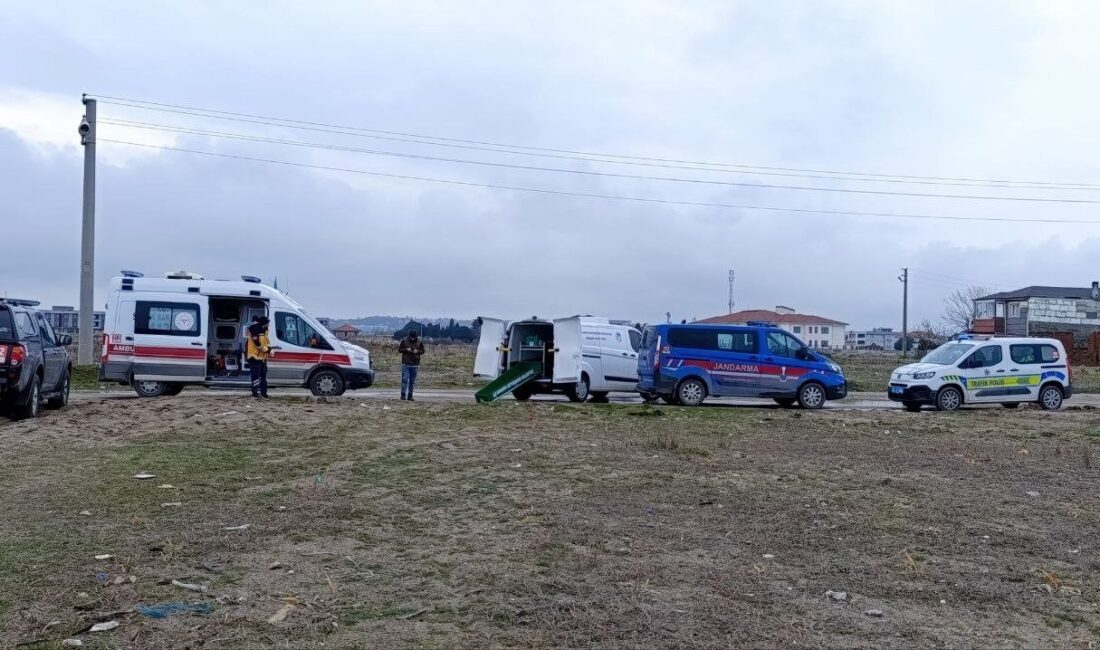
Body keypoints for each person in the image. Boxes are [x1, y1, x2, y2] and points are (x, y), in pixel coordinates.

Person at [246, 316, 271, 399]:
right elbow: (257, 343)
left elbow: (267, 342)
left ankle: (264, 394)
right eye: (267, 323)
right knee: (255, 376)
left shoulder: (265, 330)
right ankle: (255, 394)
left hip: (262, 357)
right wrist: (267, 350)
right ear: (264, 323)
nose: (268, 325)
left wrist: (269, 349)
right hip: (254, 357)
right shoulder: (253, 329)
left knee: (263, 377)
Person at [397, 329, 425, 401]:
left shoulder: (419, 341)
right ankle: (403, 395)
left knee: (412, 381)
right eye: (411, 337)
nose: (412, 339)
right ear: (409, 336)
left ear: (416, 337)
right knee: (404, 380)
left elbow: (423, 351)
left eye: (414, 337)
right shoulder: (404, 340)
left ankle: (410, 396)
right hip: (406, 364)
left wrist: (417, 351)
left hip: (415, 364)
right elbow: (399, 350)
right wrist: (406, 349)